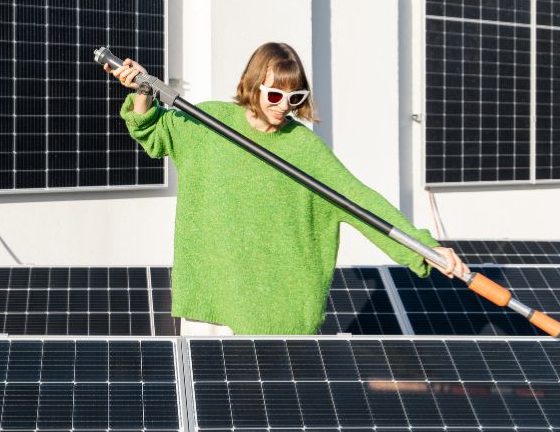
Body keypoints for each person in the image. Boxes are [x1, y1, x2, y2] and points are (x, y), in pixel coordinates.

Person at [105, 41, 468, 335]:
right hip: (214, 294)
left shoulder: (303, 148)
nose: (284, 107)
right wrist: (142, 92)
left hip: (275, 309)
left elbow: (361, 202)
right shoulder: (208, 123)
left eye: (295, 98)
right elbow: (151, 131)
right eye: (275, 95)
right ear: (252, 85)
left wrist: (424, 248)